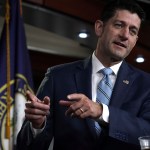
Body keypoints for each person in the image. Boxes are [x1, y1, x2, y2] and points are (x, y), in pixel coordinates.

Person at [16, 0, 150, 150]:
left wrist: (101, 111)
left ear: (135, 41)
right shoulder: (58, 76)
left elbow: (147, 132)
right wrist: (37, 125)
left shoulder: (145, 84)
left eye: (133, 31)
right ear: (99, 28)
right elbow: (25, 146)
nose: (125, 35)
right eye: (119, 25)